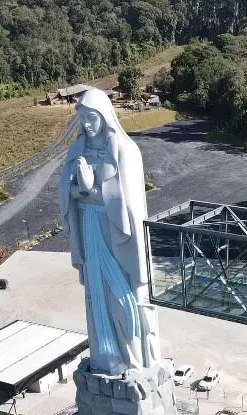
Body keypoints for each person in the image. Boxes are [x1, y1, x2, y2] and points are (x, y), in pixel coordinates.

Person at [59, 88, 161, 376]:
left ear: (105, 116)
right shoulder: (77, 150)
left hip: (116, 234)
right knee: (95, 294)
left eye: (92, 117)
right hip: (89, 226)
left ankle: (134, 358)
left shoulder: (124, 150)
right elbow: (65, 190)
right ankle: (106, 356)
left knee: (122, 295)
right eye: (82, 118)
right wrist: (79, 188)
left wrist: (91, 189)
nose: (87, 124)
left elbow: (127, 201)